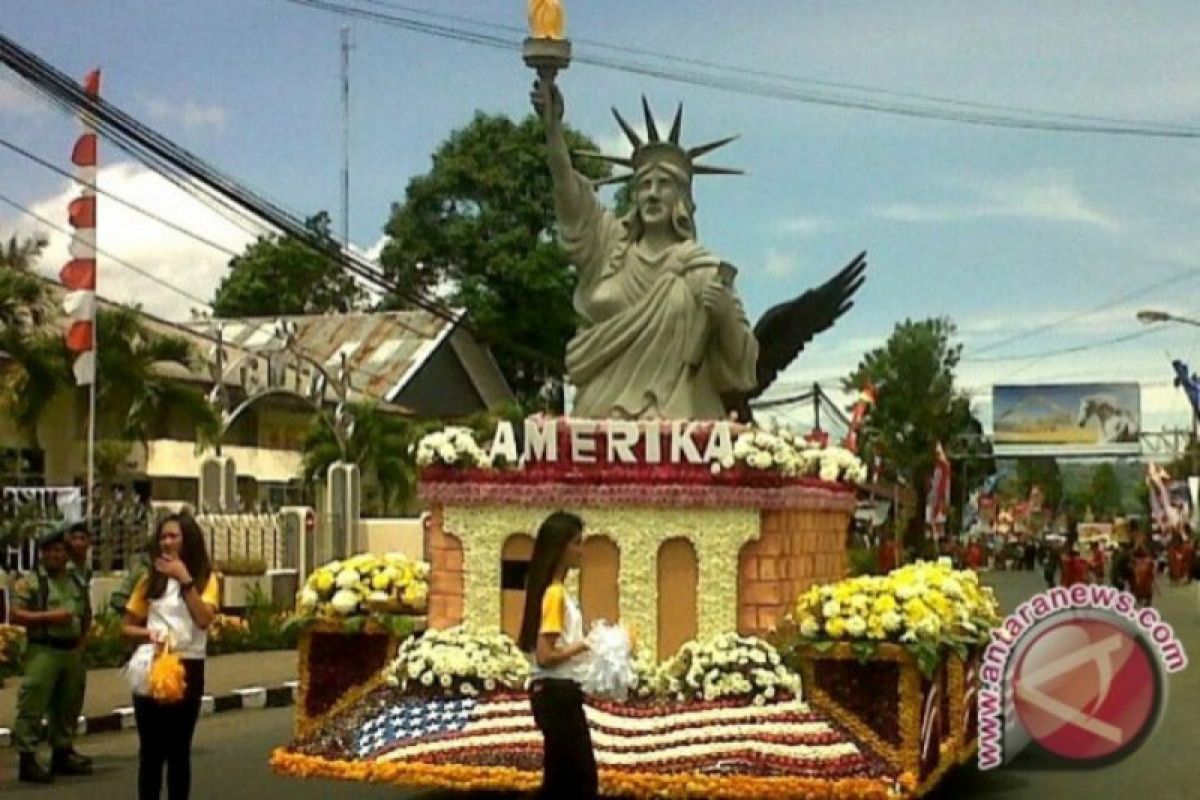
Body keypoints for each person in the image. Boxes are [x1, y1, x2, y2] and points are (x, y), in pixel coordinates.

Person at [533, 77, 759, 419]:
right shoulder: (608, 245)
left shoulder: (702, 270)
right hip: (598, 420)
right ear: (634, 195)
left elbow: (742, 366)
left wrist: (725, 314)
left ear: (681, 198)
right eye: (644, 185)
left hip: (678, 424)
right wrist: (553, 132)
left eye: (664, 184)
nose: (652, 194)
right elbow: (570, 196)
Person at [121, 513, 218, 800]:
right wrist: (147, 635)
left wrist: (184, 579)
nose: (166, 542)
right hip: (153, 664)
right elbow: (126, 626)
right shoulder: (149, 581)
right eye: (162, 536)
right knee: (150, 751)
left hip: (188, 666)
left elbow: (203, 619)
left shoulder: (205, 579)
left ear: (187, 540)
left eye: (173, 536)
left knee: (178, 751)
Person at [517, 511, 597, 799]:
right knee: (579, 783)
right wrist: (589, 644)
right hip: (557, 696)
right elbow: (545, 655)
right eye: (576, 543)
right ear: (560, 547)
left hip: (558, 695)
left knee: (562, 781)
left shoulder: (557, 593)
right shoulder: (555, 596)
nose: (581, 550)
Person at [9, 525, 93, 783]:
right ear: (42, 554)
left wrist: (82, 640)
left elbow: (84, 609)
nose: (56, 556)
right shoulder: (31, 582)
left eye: (60, 550)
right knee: (33, 703)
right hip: (44, 649)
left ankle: (63, 751)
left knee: (68, 704)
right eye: (50, 551)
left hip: (71, 650)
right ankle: (27, 758)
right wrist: (48, 618)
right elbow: (15, 614)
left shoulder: (75, 578)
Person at [1130, 542, 1157, 608]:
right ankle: (1143, 600)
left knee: (1145, 587)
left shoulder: (1147, 560)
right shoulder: (1145, 560)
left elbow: (1152, 567)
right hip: (1141, 575)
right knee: (1141, 587)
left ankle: (1145, 600)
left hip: (1144, 575)